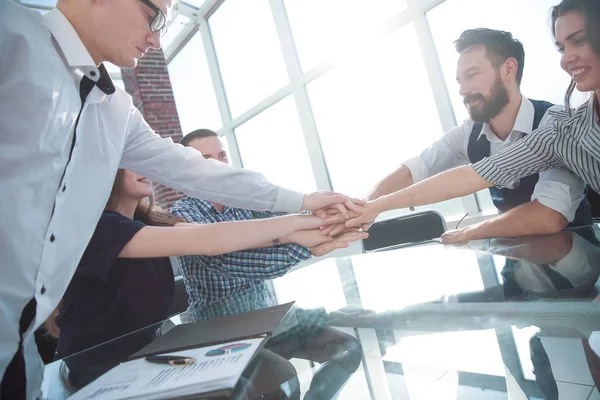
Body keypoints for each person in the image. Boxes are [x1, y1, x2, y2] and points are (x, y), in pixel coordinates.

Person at [0, 1, 362, 397]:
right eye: (154, 16)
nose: (156, 39)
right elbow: (207, 239)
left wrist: (306, 202)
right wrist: (298, 222)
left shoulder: (116, 111)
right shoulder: (11, 35)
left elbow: (195, 171)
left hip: (23, 347)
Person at [343, 0, 600, 240]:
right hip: (520, 261)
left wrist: (471, 232)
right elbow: (465, 173)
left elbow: (548, 216)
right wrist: (370, 205)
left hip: (579, 259)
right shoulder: (563, 131)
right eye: (562, 48)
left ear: (509, 69)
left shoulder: (555, 122)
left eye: (472, 75)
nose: (463, 90)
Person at [48, 169, 366, 359]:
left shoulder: (155, 221)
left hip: (149, 355)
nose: (142, 165)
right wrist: (302, 220)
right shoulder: (99, 229)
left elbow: (234, 237)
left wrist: (303, 234)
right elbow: (212, 241)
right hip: (96, 369)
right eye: (127, 158)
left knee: (277, 370)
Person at [169, 130, 366, 308]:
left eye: (222, 155)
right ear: (190, 168)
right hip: (215, 323)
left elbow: (283, 219)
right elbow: (226, 262)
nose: (219, 164)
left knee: (341, 338)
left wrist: (330, 215)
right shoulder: (182, 213)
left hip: (265, 309)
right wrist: (305, 245)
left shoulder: (243, 199)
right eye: (207, 159)